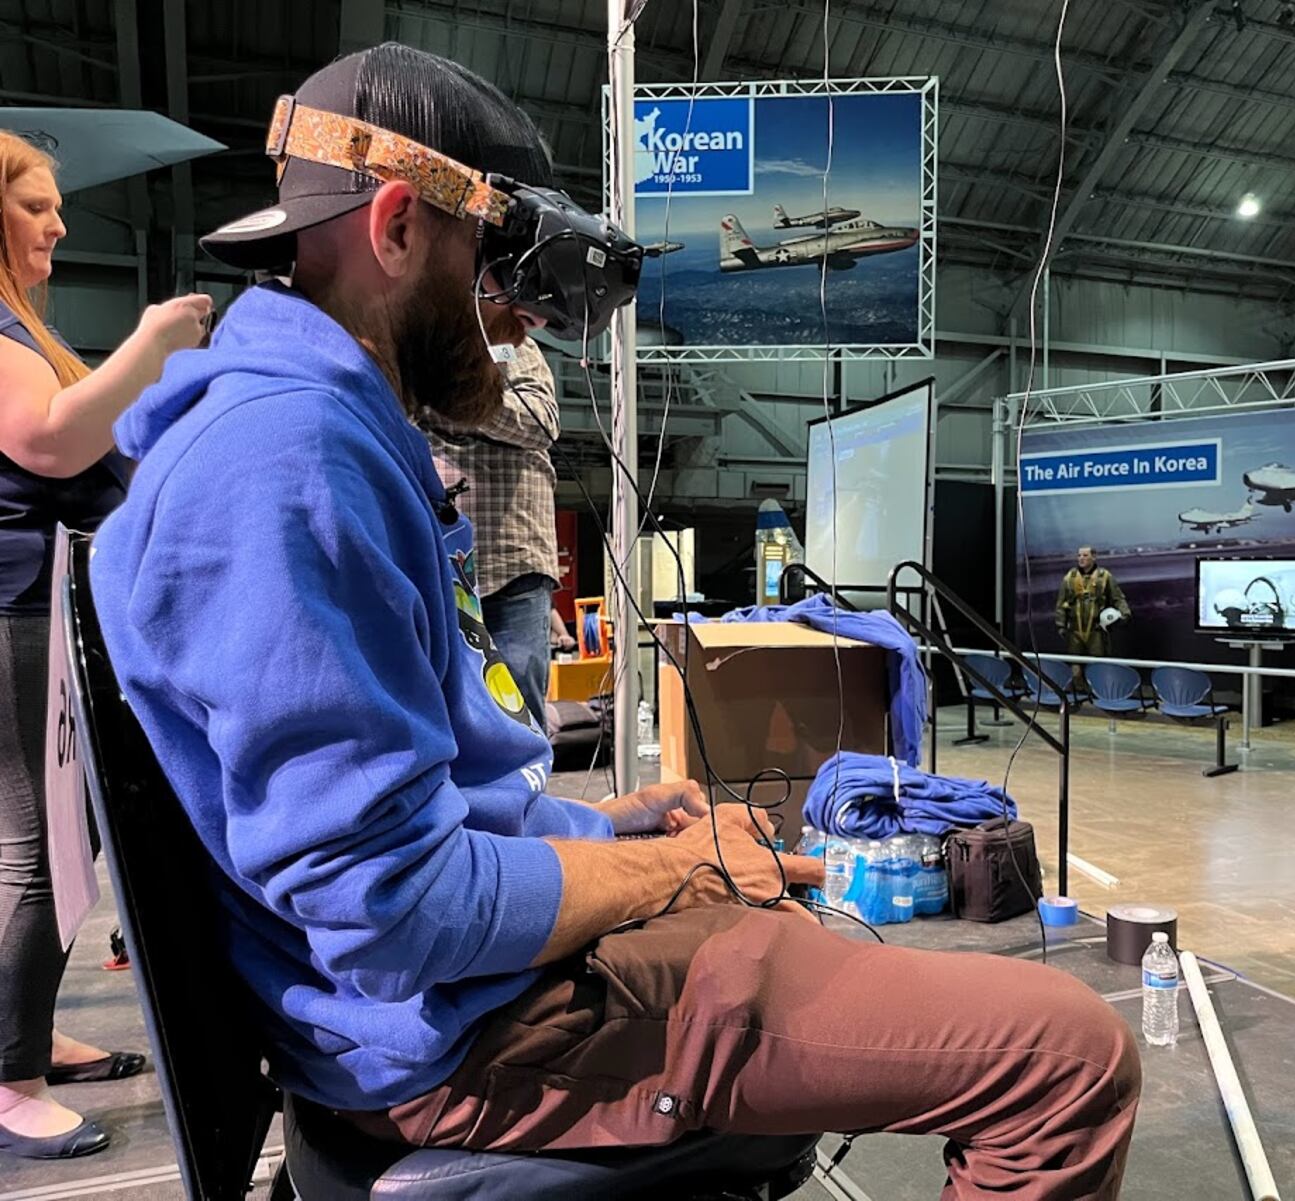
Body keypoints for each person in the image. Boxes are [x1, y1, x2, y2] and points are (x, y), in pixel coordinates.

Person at [89, 45, 1140, 1199]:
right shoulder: (285, 466)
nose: (521, 322)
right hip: (469, 1035)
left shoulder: (310, 435)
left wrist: (607, 837)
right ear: (393, 227)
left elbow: (417, 806)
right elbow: (386, 908)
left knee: (787, 909)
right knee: (1068, 1055)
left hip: (463, 998)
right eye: (497, 269)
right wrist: (665, 872)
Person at [0, 131, 212, 1159]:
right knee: (35, 851)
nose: (59, 222)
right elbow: (48, 440)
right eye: (37, 205)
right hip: (16, 608)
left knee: (53, 846)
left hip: (42, 602)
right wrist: (153, 343)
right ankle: (8, 1078)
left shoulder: (20, 326)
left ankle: (21, 1036)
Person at [424, 340, 563, 709]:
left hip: (511, 565)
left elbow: (541, 421)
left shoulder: (507, 344)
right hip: (432, 567)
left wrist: (459, 403)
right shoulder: (413, 340)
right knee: (434, 706)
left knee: (518, 706)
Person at [1056, 546, 1131, 679]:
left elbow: (1118, 598)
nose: (1081, 558)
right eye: (1079, 555)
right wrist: (1060, 624)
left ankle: (1097, 693)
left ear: (1094, 557)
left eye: (1085, 555)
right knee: (1075, 664)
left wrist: (1125, 615)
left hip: (1096, 630)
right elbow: (1061, 602)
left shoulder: (1105, 576)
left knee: (1098, 664)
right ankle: (1077, 693)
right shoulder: (1070, 577)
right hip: (1075, 630)